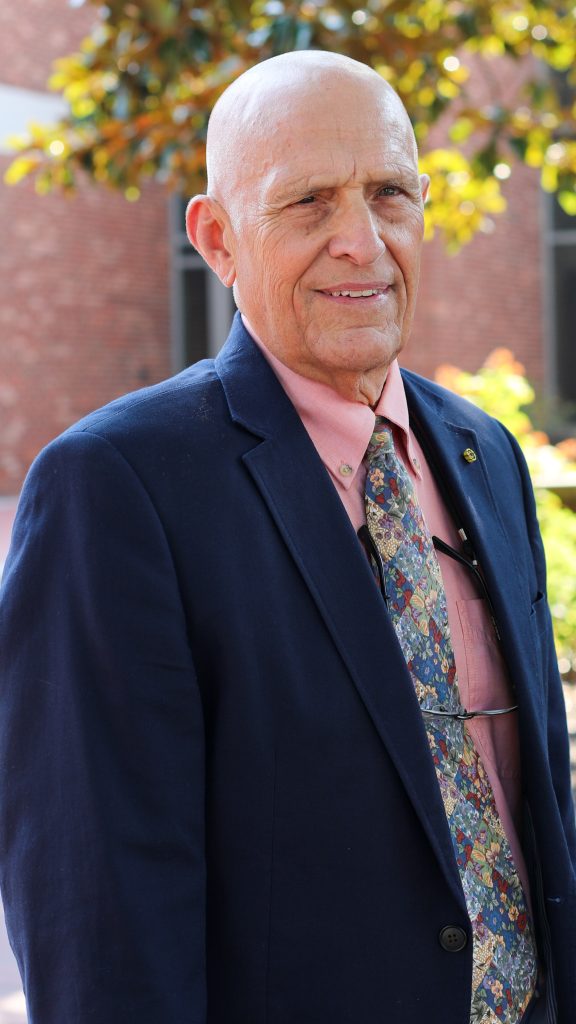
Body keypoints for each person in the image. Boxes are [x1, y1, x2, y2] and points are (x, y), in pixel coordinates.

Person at [0, 50, 574, 1024]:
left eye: (390, 193)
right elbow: (104, 927)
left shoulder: (486, 453)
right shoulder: (118, 489)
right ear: (217, 238)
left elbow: (540, 816)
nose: (362, 240)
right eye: (308, 203)